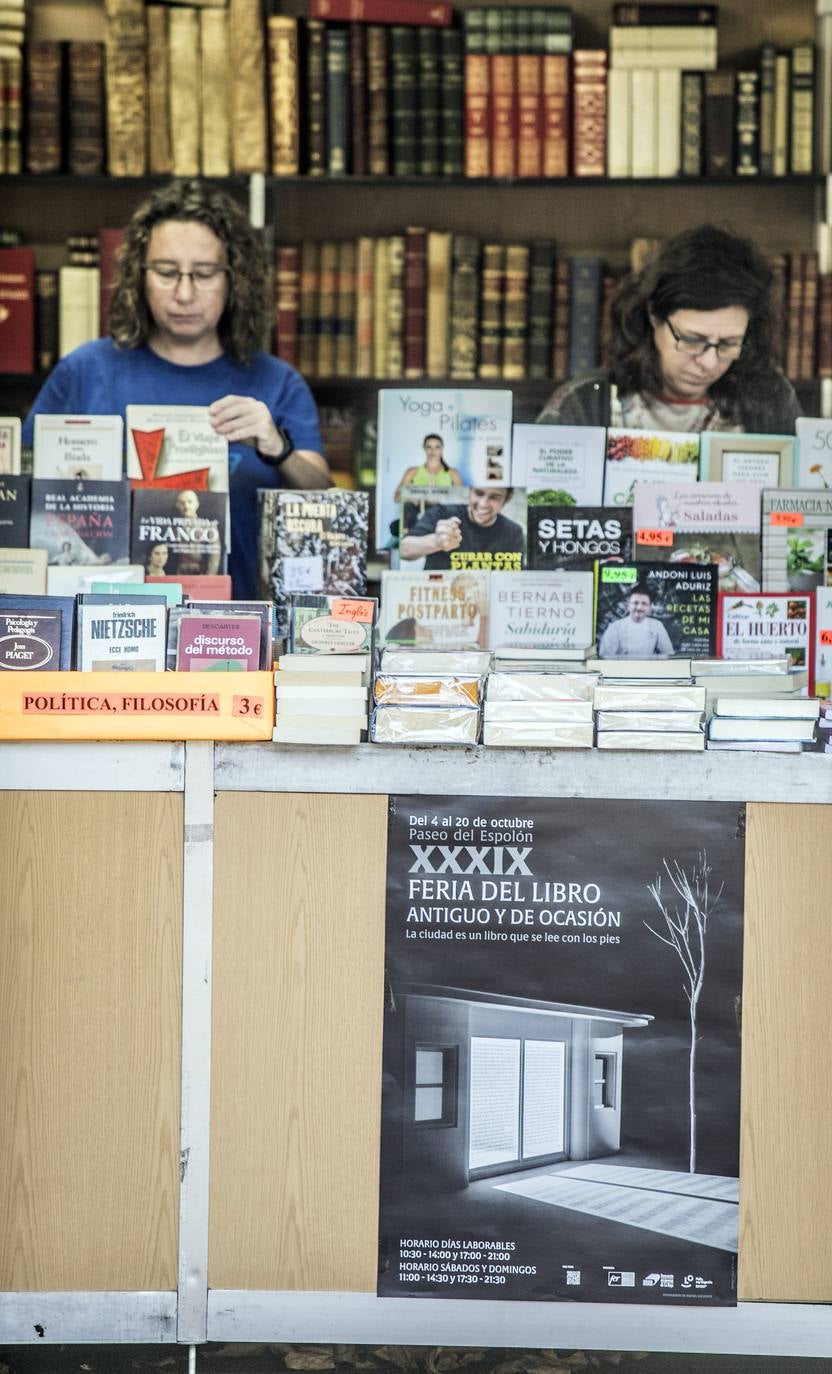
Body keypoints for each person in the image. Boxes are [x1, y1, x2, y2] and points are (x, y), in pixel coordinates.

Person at [22, 179, 330, 600]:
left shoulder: (275, 381)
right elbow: (19, 491)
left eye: (204, 275)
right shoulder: (85, 371)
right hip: (100, 621)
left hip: (233, 627)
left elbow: (322, 495)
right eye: (166, 273)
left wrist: (276, 445)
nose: (184, 294)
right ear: (139, 276)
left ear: (234, 280)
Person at [538, 225, 801, 436]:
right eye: (691, 339)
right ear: (654, 316)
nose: (709, 362)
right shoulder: (584, 403)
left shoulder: (771, 400)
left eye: (729, 344)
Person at [399, 487, 525, 570]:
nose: (483, 504)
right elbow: (403, 550)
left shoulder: (514, 532)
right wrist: (436, 542)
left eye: (494, 497)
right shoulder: (441, 513)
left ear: (507, 498)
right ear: (470, 491)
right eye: (479, 493)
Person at [598, 585, 674, 659]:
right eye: (635, 603)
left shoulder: (657, 626)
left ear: (650, 608)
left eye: (644, 604)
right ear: (628, 606)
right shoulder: (614, 628)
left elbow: (669, 655)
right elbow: (606, 659)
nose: (639, 607)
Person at [393, 434, 464, 501]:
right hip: (418, 511)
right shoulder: (412, 472)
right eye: (429, 447)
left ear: (442, 449)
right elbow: (397, 497)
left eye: (437, 447)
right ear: (424, 448)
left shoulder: (453, 473)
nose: (433, 451)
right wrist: (420, 495)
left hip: (443, 513)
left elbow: (461, 498)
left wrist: (436, 493)